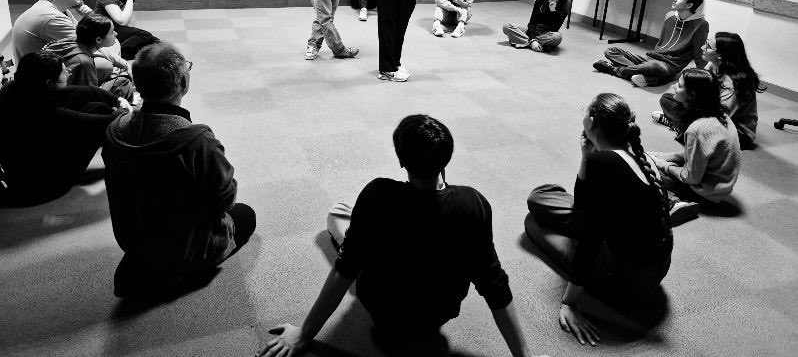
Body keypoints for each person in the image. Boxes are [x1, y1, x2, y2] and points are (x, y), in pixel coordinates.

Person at [260, 115, 544, 357]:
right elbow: (496, 287)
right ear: (447, 158)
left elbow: (345, 271)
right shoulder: (473, 204)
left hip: (381, 309)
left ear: (400, 160)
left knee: (337, 215)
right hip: (438, 313)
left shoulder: (377, 195)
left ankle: (351, 225)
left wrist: (305, 334)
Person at [102, 42, 256, 297]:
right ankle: (180, 269)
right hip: (185, 247)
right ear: (183, 83)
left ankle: (148, 266)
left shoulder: (115, 130)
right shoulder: (195, 140)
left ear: (137, 85)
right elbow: (225, 199)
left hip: (133, 239)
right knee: (245, 215)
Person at [525, 93, 673, 347]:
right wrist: (586, 155)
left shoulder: (602, 162)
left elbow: (589, 236)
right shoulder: (638, 154)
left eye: (585, 111)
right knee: (545, 194)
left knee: (533, 221)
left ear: (591, 122)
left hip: (620, 277)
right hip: (653, 269)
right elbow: (583, 207)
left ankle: (580, 275)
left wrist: (569, 302)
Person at [0, 51, 129, 206]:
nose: (69, 72)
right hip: (44, 186)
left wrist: (117, 100)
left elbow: (85, 91)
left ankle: (121, 158)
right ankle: (125, 163)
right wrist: (125, 111)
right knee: (101, 116)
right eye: (64, 71)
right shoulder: (42, 111)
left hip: (22, 169)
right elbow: (105, 121)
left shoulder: (18, 88)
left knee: (94, 106)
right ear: (48, 82)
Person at [650, 68, 742, 224]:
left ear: (692, 95)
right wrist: (668, 156)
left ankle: (673, 202)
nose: (674, 87)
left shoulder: (697, 129)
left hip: (704, 193)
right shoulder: (722, 116)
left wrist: (665, 166)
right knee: (654, 158)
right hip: (719, 187)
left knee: (646, 167)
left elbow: (691, 177)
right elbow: (702, 154)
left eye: (679, 85)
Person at [653, 32, 763, 149]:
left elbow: (720, 117)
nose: (702, 47)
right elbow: (698, 89)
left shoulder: (735, 85)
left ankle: (680, 126)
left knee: (691, 113)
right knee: (667, 99)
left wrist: (691, 106)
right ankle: (682, 126)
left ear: (720, 55)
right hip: (712, 112)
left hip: (735, 132)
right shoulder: (712, 65)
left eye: (708, 46)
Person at [593, 0, 708, 87]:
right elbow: (662, 42)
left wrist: (702, 76)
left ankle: (613, 69)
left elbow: (699, 52)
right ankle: (649, 77)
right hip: (651, 58)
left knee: (653, 66)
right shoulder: (670, 16)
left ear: (689, 5)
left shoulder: (701, 25)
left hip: (669, 66)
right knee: (611, 51)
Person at [43, 14, 135, 101]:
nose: (116, 34)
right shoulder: (84, 62)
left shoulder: (71, 41)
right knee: (123, 82)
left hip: (45, 91)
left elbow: (105, 52)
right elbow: (89, 95)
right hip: (62, 102)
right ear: (98, 40)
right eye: (111, 32)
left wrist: (126, 64)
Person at [11, 0, 93, 64]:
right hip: (39, 74)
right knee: (104, 64)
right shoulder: (53, 17)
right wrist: (90, 18)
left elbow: (80, 34)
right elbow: (87, 45)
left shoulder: (54, 8)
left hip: (39, 65)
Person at [94, 0, 160, 60]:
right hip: (104, 31)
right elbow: (122, 21)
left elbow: (124, 18)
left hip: (116, 27)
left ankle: (164, 54)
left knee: (152, 40)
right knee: (145, 35)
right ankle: (117, 55)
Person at [503, 0, 570, 52]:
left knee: (557, 37)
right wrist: (532, 40)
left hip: (547, 34)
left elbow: (554, 28)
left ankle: (526, 42)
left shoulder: (565, 6)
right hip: (534, 31)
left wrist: (553, 10)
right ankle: (539, 45)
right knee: (507, 26)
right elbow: (532, 22)